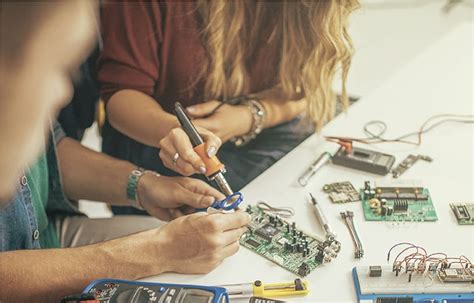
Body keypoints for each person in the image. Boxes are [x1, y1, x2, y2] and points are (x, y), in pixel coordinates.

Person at [0, 2, 249, 302]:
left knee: (209, 257)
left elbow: (51, 152)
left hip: (46, 236)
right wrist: (157, 250)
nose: (63, 92)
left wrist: (142, 185)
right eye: (47, 69)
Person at [97, 1, 359, 216]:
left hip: (261, 129)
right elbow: (121, 98)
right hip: (162, 147)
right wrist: (175, 132)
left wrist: (249, 116)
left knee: (312, 187)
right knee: (224, 215)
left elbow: (304, 90)